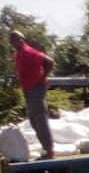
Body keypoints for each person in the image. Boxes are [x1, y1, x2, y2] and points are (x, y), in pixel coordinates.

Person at [9, 30, 55, 160]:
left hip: (36, 88)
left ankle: (49, 151)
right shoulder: (17, 54)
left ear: (21, 39)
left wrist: (42, 77)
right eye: (11, 39)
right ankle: (47, 149)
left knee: (40, 119)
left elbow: (49, 62)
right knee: (34, 120)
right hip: (28, 90)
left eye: (15, 38)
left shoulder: (29, 52)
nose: (13, 41)